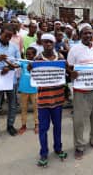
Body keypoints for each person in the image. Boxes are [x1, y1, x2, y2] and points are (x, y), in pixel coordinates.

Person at [67, 24, 93, 160]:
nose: (88, 36)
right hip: (81, 92)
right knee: (79, 121)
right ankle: (79, 146)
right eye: (85, 33)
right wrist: (71, 74)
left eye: (90, 33)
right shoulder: (74, 49)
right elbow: (69, 67)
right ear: (79, 35)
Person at [29, 33, 67, 166]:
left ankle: (58, 148)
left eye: (50, 42)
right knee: (43, 129)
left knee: (58, 127)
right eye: (45, 42)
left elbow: (65, 75)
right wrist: (31, 70)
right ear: (42, 43)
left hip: (57, 100)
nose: (48, 44)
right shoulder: (37, 59)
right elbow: (33, 78)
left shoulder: (61, 58)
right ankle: (44, 153)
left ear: (54, 43)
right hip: (43, 101)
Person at [0, 24, 21, 141]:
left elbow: (19, 62)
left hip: (11, 79)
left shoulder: (14, 47)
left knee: (12, 104)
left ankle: (10, 126)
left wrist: (9, 68)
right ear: (0, 33)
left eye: (10, 37)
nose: (8, 38)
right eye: (6, 36)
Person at [18, 47, 38, 135]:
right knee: (24, 108)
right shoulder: (23, 62)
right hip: (24, 89)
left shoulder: (37, 63)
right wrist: (6, 60)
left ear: (34, 55)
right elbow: (14, 65)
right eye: (27, 54)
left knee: (36, 108)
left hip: (34, 89)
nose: (28, 56)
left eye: (30, 54)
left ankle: (37, 124)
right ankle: (23, 125)